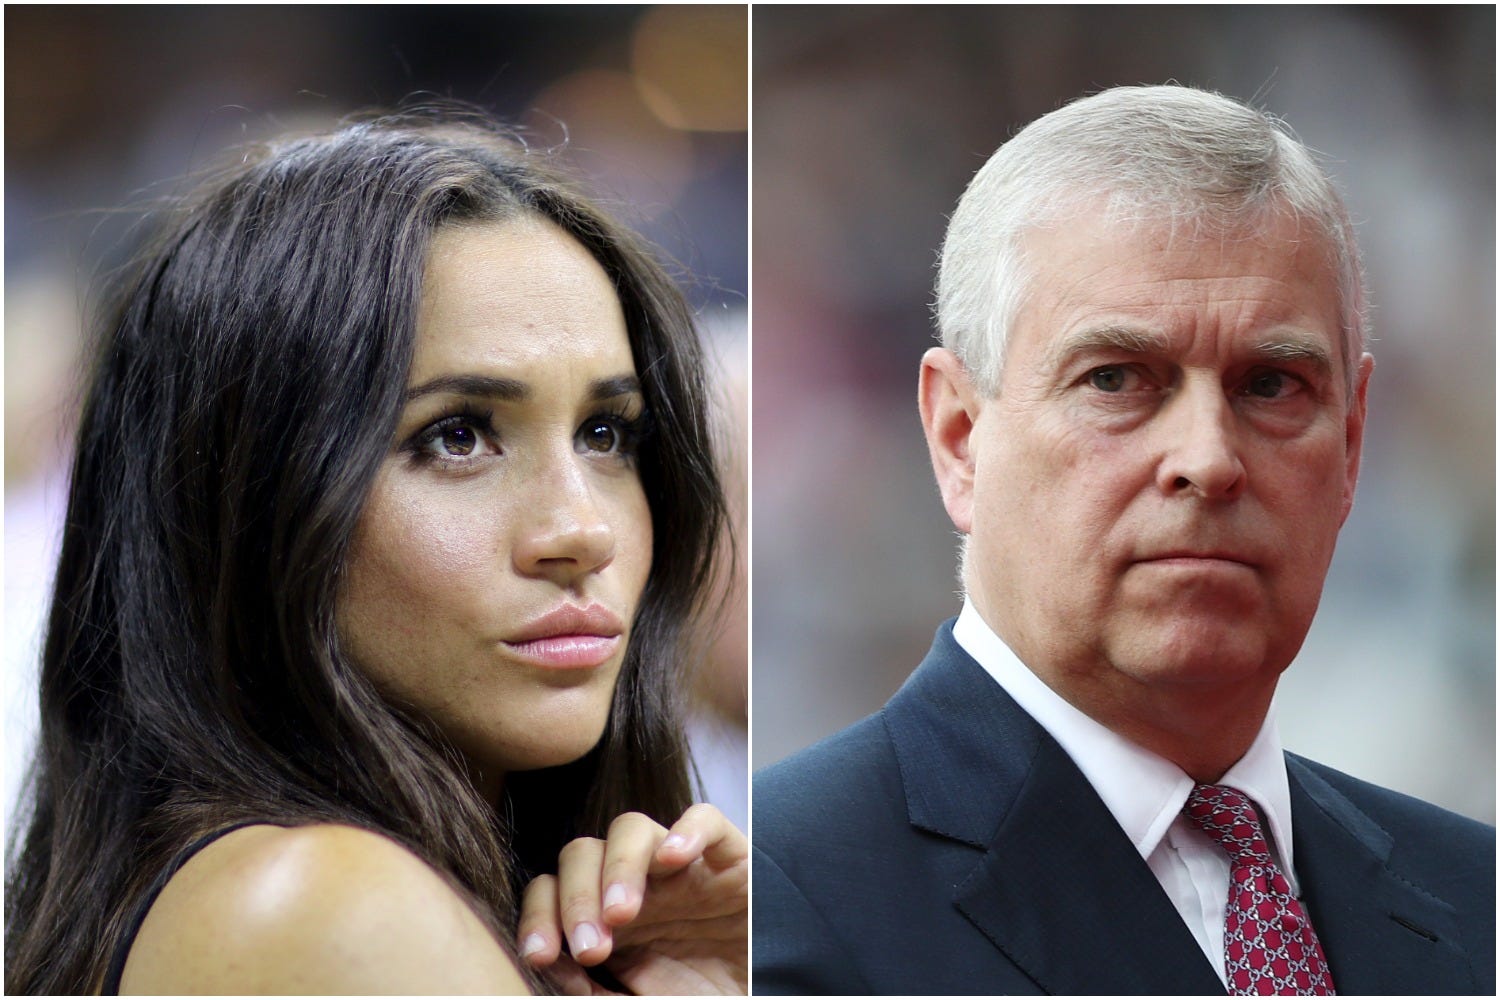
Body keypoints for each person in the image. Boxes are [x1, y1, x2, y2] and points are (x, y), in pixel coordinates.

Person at [753, 85, 1494, 995]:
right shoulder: (775, 915)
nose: (1209, 459)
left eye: (1270, 385)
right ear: (959, 438)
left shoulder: (1478, 897)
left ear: (1351, 444)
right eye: (1116, 379)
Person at [4, 108, 747, 995]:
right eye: (459, 437)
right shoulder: (329, 907)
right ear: (249, 502)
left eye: (605, 433)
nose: (581, 531)